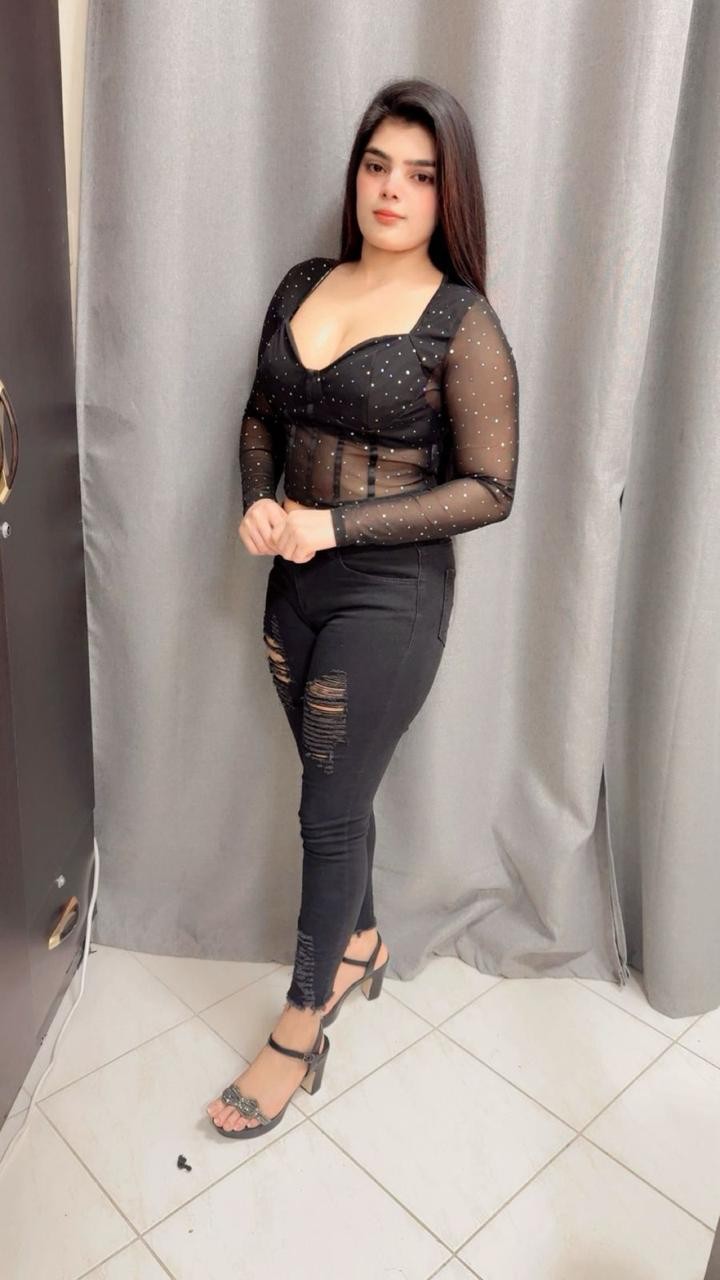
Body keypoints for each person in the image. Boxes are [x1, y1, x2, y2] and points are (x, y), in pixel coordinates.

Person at [207, 77, 519, 1137]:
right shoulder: (304, 284)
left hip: (391, 592)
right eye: (377, 165)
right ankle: (362, 942)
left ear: (448, 194)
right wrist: (258, 499)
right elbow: (261, 412)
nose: (392, 189)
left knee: (326, 812)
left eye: (420, 175)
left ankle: (300, 1028)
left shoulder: (461, 323)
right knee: (335, 789)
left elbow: (491, 487)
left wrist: (331, 525)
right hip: (290, 585)